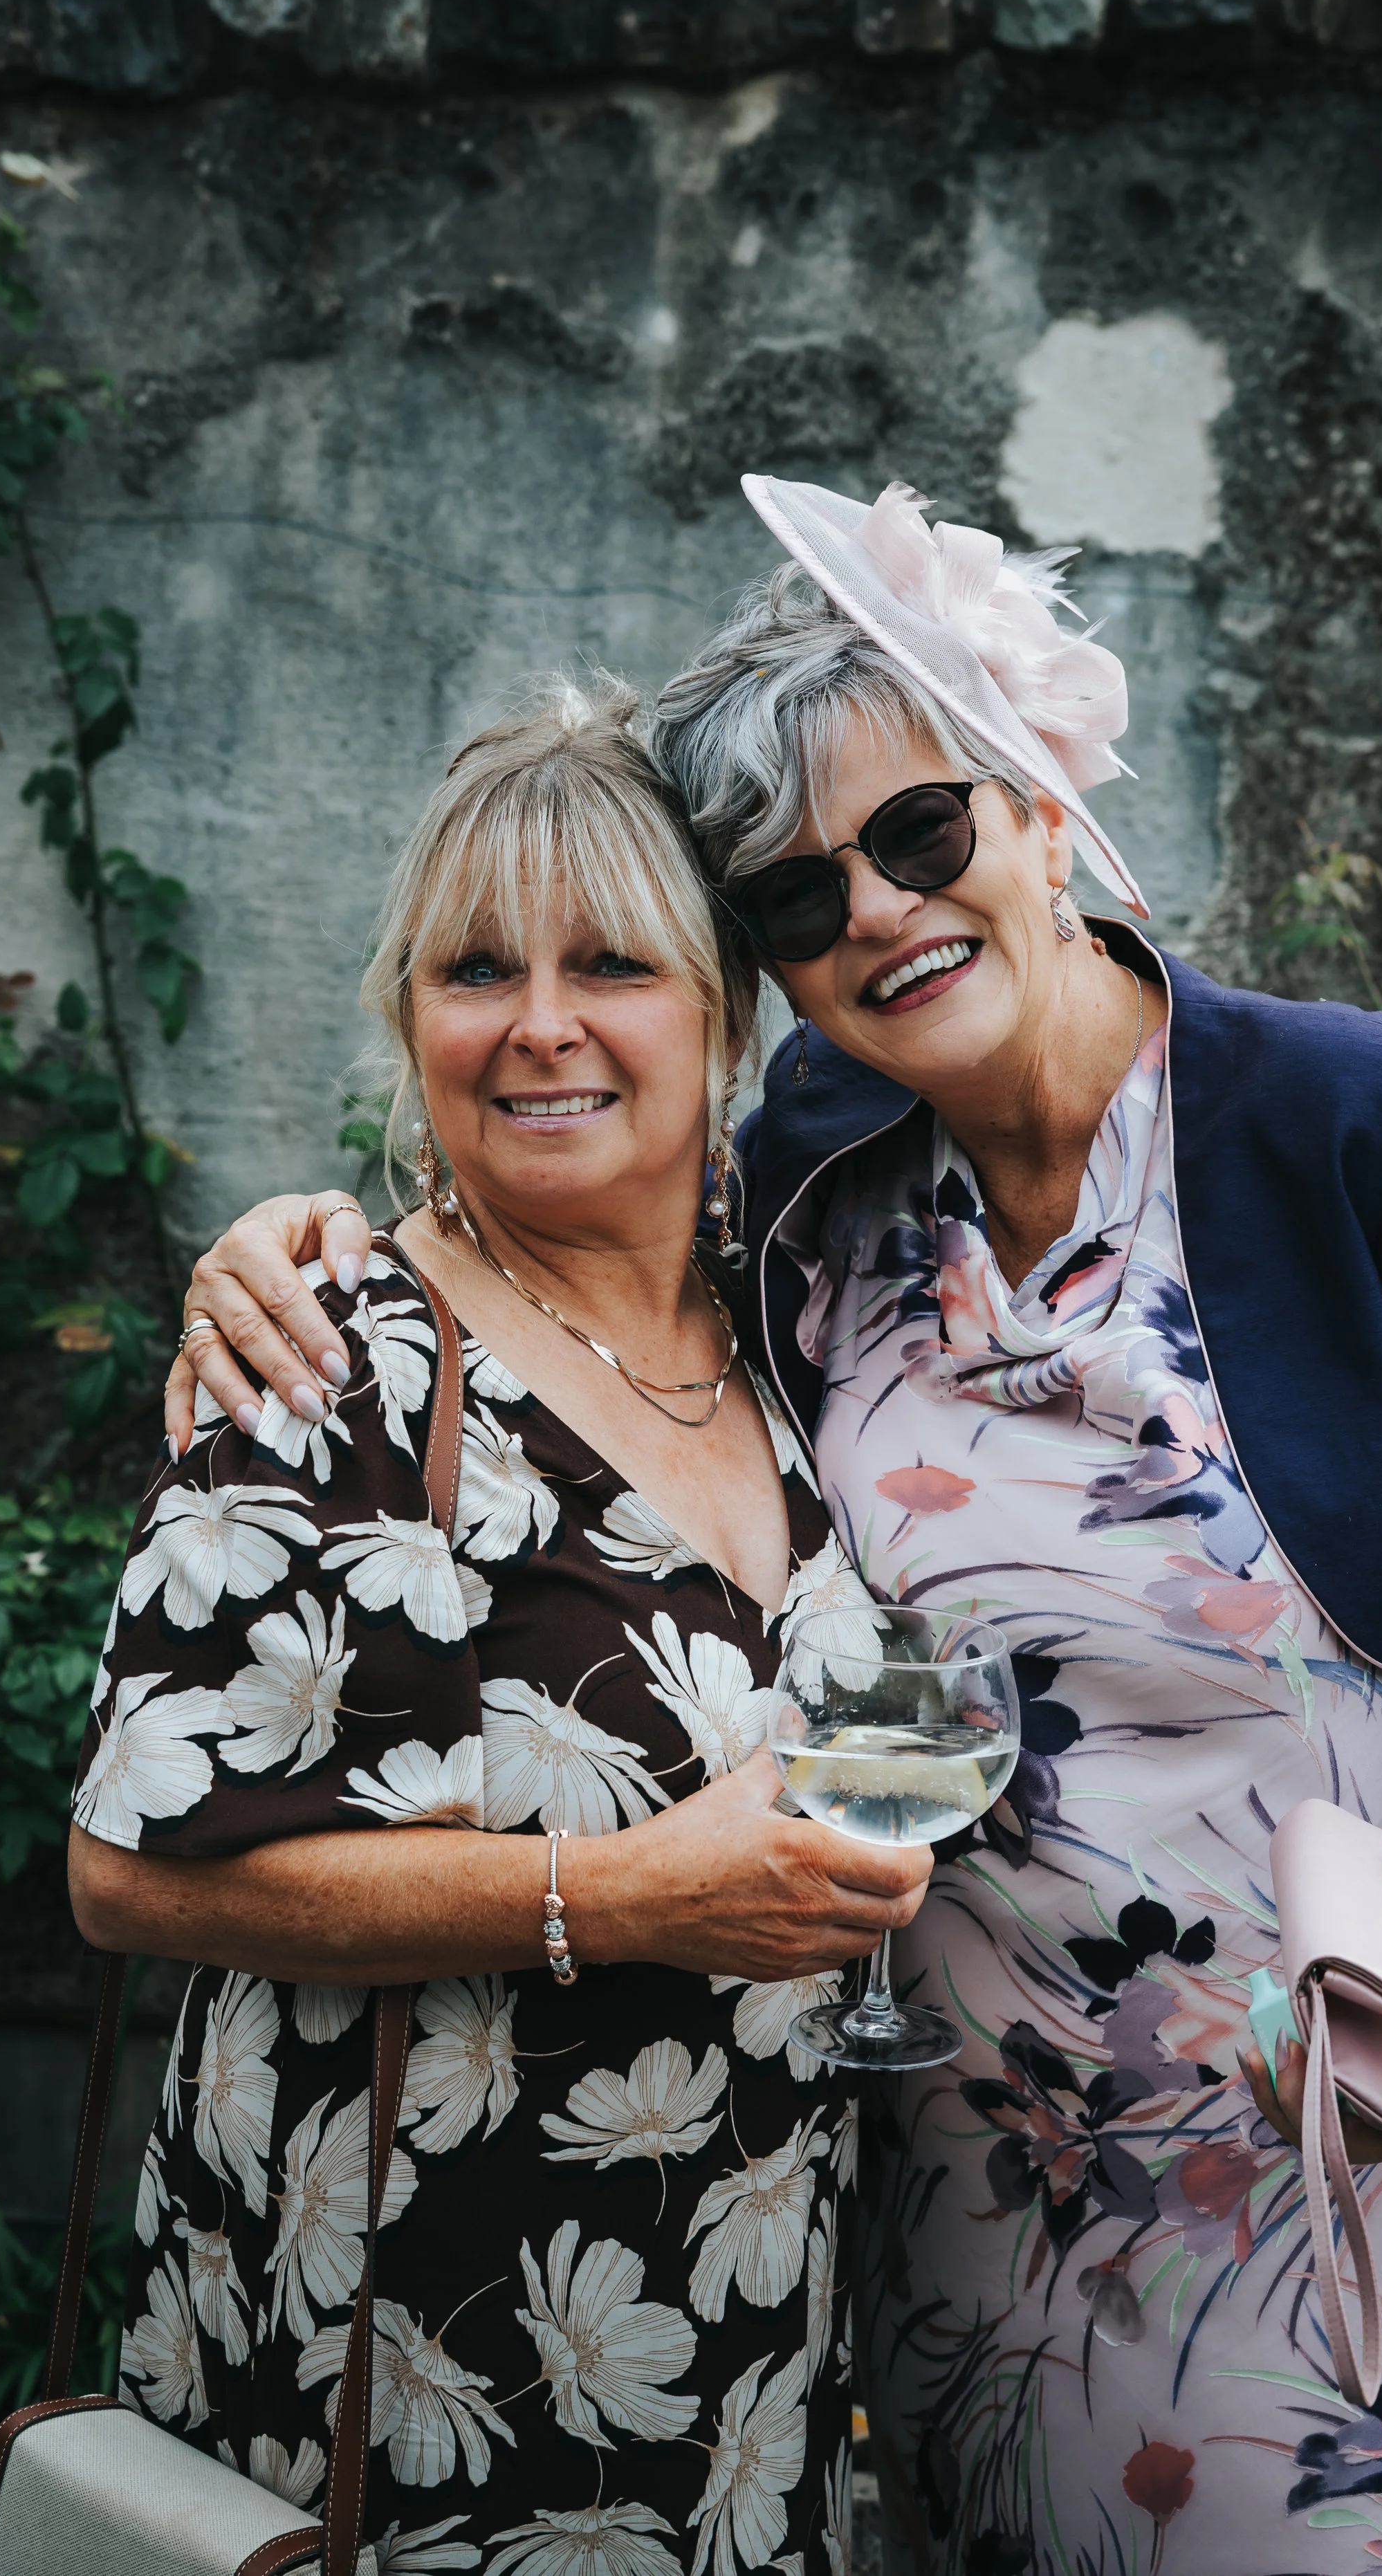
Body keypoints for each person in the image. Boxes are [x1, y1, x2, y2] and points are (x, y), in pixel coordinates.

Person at [155, 477, 1382, 2576]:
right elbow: (554, 1231)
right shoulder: (815, 1182)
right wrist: (299, 1237)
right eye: (787, 896)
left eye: (917, 832)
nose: (869, 908)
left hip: (1328, 2187)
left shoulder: (1363, 1121)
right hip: (943, 2202)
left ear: (1042, 794)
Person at [70, 681, 934, 2575]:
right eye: (477, 968)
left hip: (738, 2373)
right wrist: (616, 1895)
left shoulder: (806, 1337)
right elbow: (129, 1873)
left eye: (610, 960)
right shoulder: (329, 1362)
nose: (540, 1022)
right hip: (404, 2382)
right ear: (411, 1020)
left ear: (720, 1016)